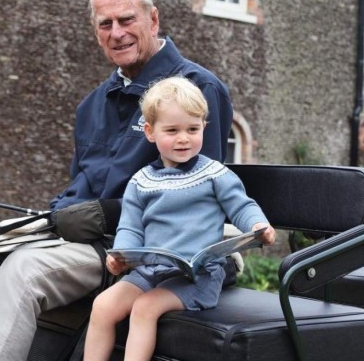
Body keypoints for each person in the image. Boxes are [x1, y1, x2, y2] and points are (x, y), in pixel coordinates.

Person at [0, 0, 233, 361]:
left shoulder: (197, 89)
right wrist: (55, 213)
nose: (117, 33)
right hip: (75, 238)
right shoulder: (92, 105)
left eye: (126, 20)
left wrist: (102, 214)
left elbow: (198, 197)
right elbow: (81, 186)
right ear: (96, 34)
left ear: (153, 20)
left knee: (22, 271)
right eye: (105, 25)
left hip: (134, 251)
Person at [83, 77, 276, 361]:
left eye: (192, 129)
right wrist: (121, 255)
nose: (183, 138)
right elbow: (131, 227)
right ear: (150, 132)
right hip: (150, 272)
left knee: (145, 308)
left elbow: (241, 207)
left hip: (197, 278)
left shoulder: (214, 174)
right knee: (102, 305)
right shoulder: (141, 181)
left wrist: (258, 225)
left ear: (204, 128)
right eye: (172, 130)